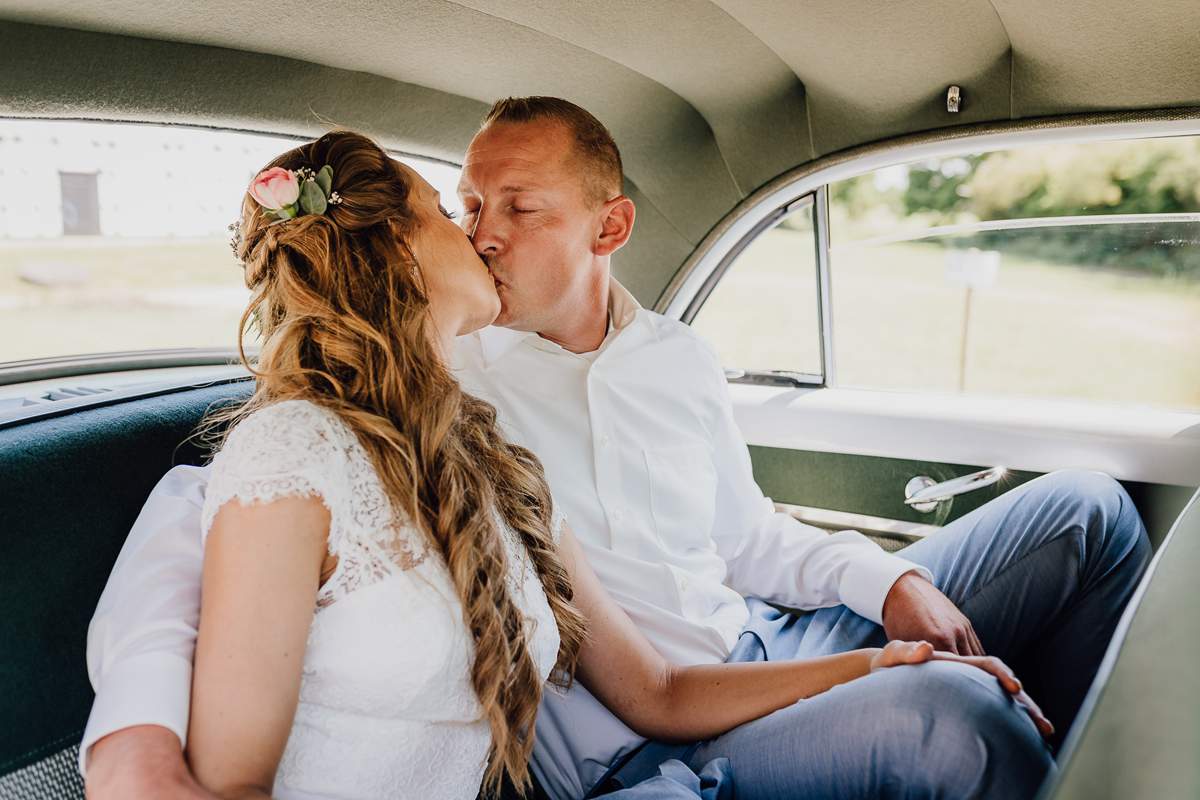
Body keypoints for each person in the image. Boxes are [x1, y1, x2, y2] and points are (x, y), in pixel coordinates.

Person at [80, 99, 1149, 799]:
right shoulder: (362, 417)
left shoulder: (526, 429)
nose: (483, 231)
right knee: (957, 721)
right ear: (401, 252)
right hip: (634, 746)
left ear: (610, 227)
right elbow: (218, 510)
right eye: (459, 209)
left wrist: (885, 608)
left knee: (1088, 509)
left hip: (733, 650)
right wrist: (132, 739)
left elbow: (728, 565)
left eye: (513, 208)